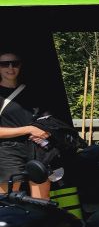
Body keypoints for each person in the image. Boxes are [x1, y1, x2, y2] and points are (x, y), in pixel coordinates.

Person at [0, 51, 51, 199]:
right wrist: (29, 129)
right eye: (4, 64)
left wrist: (46, 132)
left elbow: (47, 119)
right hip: (8, 151)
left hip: (38, 148)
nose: (10, 67)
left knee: (41, 202)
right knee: (7, 202)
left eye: (15, 63)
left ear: (20, 66)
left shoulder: (33, 91)